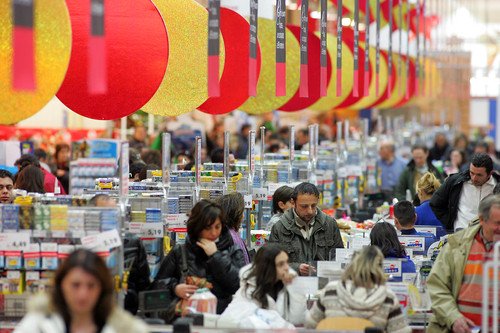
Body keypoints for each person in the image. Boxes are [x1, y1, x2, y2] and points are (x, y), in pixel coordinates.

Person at [151, 200, 245, 320]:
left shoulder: (233, 250)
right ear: (197, 227)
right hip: (188, 321)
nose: (214, 233)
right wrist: (175, 288)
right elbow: (156, 286)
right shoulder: (181, 252)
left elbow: (239, 285)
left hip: (222, 320)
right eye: (208, 228)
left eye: (217, 227)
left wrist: (215, 256)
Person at [14, 249, 147, 333]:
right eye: (75, 285)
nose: (83, 294)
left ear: (102, 288)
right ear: (61, 285)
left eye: (91, 286)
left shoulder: (124, 329)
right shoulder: (36, 325)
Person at [427, 195, 500, 332]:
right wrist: (453, 318)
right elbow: (437, 286)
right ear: (482, 220)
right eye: (498, 223)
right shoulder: (457, 245)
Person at [305, 246, 411, 332]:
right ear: (379, 268)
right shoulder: (388, 298)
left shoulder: (331, 291)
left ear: (351, 265)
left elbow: (310, 325)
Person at [89, 194, 151, 315]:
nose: (111, 219)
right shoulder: (83, 243)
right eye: (105, 214)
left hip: (126, 312)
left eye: (114, 213)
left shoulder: (133, 243)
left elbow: (144, 284)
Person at [219, 244, 306, 328]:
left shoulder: (285, 285)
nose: (287, 268)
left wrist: (294, 286)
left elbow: (298, 319)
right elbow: (230, 320)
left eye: (287, 262)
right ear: (268, 267)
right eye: (281, 264)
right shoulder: (249, 289)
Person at [269, 182, 344, 276]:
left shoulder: (329, 224)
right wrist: (297, 268)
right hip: (292, 285)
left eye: (313, 205)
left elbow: (339, 257)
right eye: (304, 206)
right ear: (293, 202)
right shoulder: (279, 228)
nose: (310, 211)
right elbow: (272, 263)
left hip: (322, 284)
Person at [430, 153, 499, 232]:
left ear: (489, 174)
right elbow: (435, 203)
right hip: (461, 232)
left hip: (490, 234)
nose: (474, 178)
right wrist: (450, 222)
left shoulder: (497, 185)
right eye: (472, 173)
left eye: (479, 175)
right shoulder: (455, 181)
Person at [216, 193, 251, 265]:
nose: (243, 216)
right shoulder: (229, 237)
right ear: (234, 214)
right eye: (242, 212)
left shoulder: (228, 233)